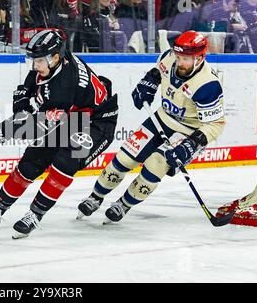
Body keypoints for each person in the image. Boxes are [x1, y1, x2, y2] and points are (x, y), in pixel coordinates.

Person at [0, 30, 119, 238]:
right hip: (74, 115)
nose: (35, 66)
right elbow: (27, 91)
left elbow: (35, 127)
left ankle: (35, 214)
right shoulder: (51, 63)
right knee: (32, 159)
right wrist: (21, 108)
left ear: (56, 58)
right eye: (33, 60)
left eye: (39, 61)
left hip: (98, 121)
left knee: (65, 162)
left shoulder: (65, 86)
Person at [77, 30, 226, 223]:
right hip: (161, 119)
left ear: (199, 58)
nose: (179, 62)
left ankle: (124, 204)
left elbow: (215, 124)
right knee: (123, 159)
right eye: (178, 56)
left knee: (155, 166)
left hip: (188, 131)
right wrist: (147, 84)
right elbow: (158, 72)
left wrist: (190, 144)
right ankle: (95, 197)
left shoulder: (208, 85)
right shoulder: (169, 57)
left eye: (185, 59)